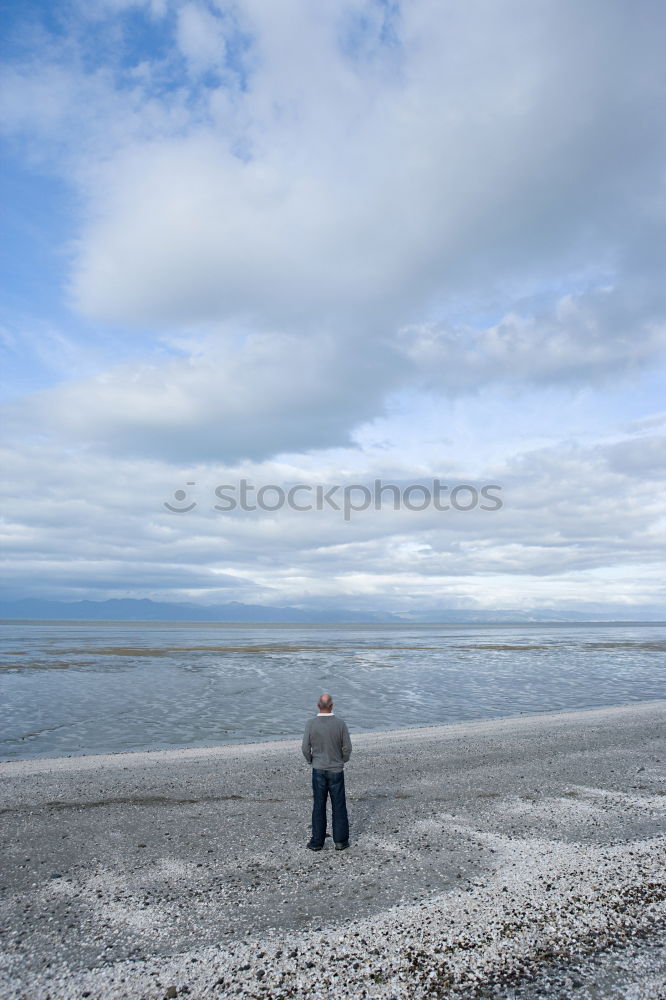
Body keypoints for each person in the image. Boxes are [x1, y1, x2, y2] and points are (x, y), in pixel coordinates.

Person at [301, 693, 352, 851]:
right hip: (336, 769)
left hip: (319, 769)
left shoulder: (311, 724)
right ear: (332, 706)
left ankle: (317, 842)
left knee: (319, 805)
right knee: (338, 805)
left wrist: (311, 760)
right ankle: (340, 841)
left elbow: (305, 748)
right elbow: (347, 748)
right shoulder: (340, 724)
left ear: (318, 706)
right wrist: (342, 760)